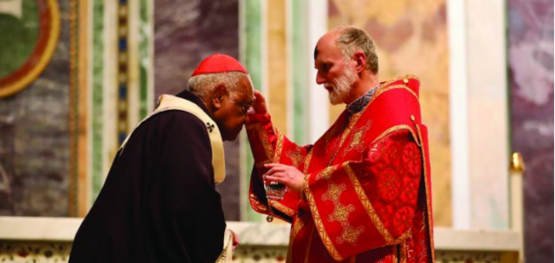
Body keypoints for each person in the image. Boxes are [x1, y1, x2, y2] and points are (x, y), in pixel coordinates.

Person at [246, 26, 434, 262]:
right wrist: (259, 123)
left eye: (326, 67)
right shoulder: (353, 118)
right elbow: (303, 167)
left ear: (358, 62)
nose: (319, 80)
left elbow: (382, 189)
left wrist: (307, 185)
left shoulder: (394, 112)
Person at [70, 54, 254, 262]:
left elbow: (164, 210)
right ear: (218, 97)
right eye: (243, 107)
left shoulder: (172, 122)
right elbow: (186, 210)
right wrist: (221, 239)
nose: (247, 118)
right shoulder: (185, 126)